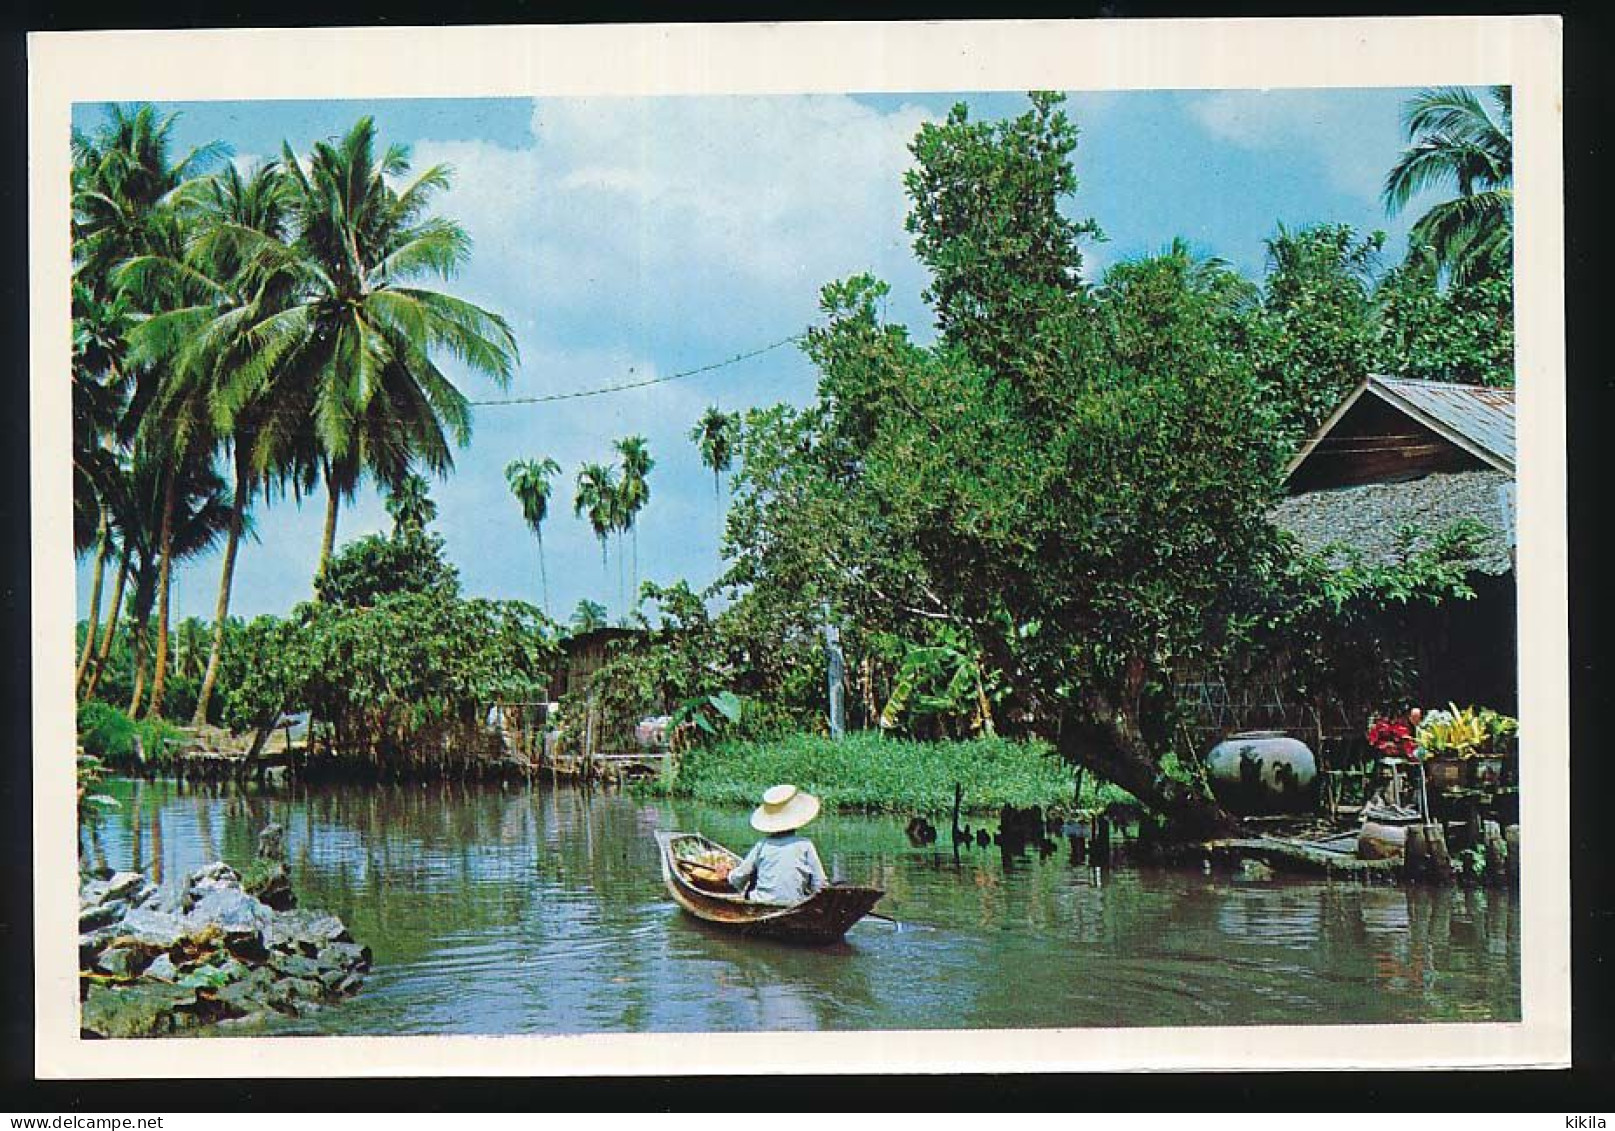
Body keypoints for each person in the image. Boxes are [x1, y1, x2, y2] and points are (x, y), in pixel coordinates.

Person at [721, 784, 827, 905]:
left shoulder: (762, 845)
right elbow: (819, 884)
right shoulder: (805, 845)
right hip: (794, 904)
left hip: (761, 903)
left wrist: (728, 875)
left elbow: (740, 877)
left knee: (753, 875)